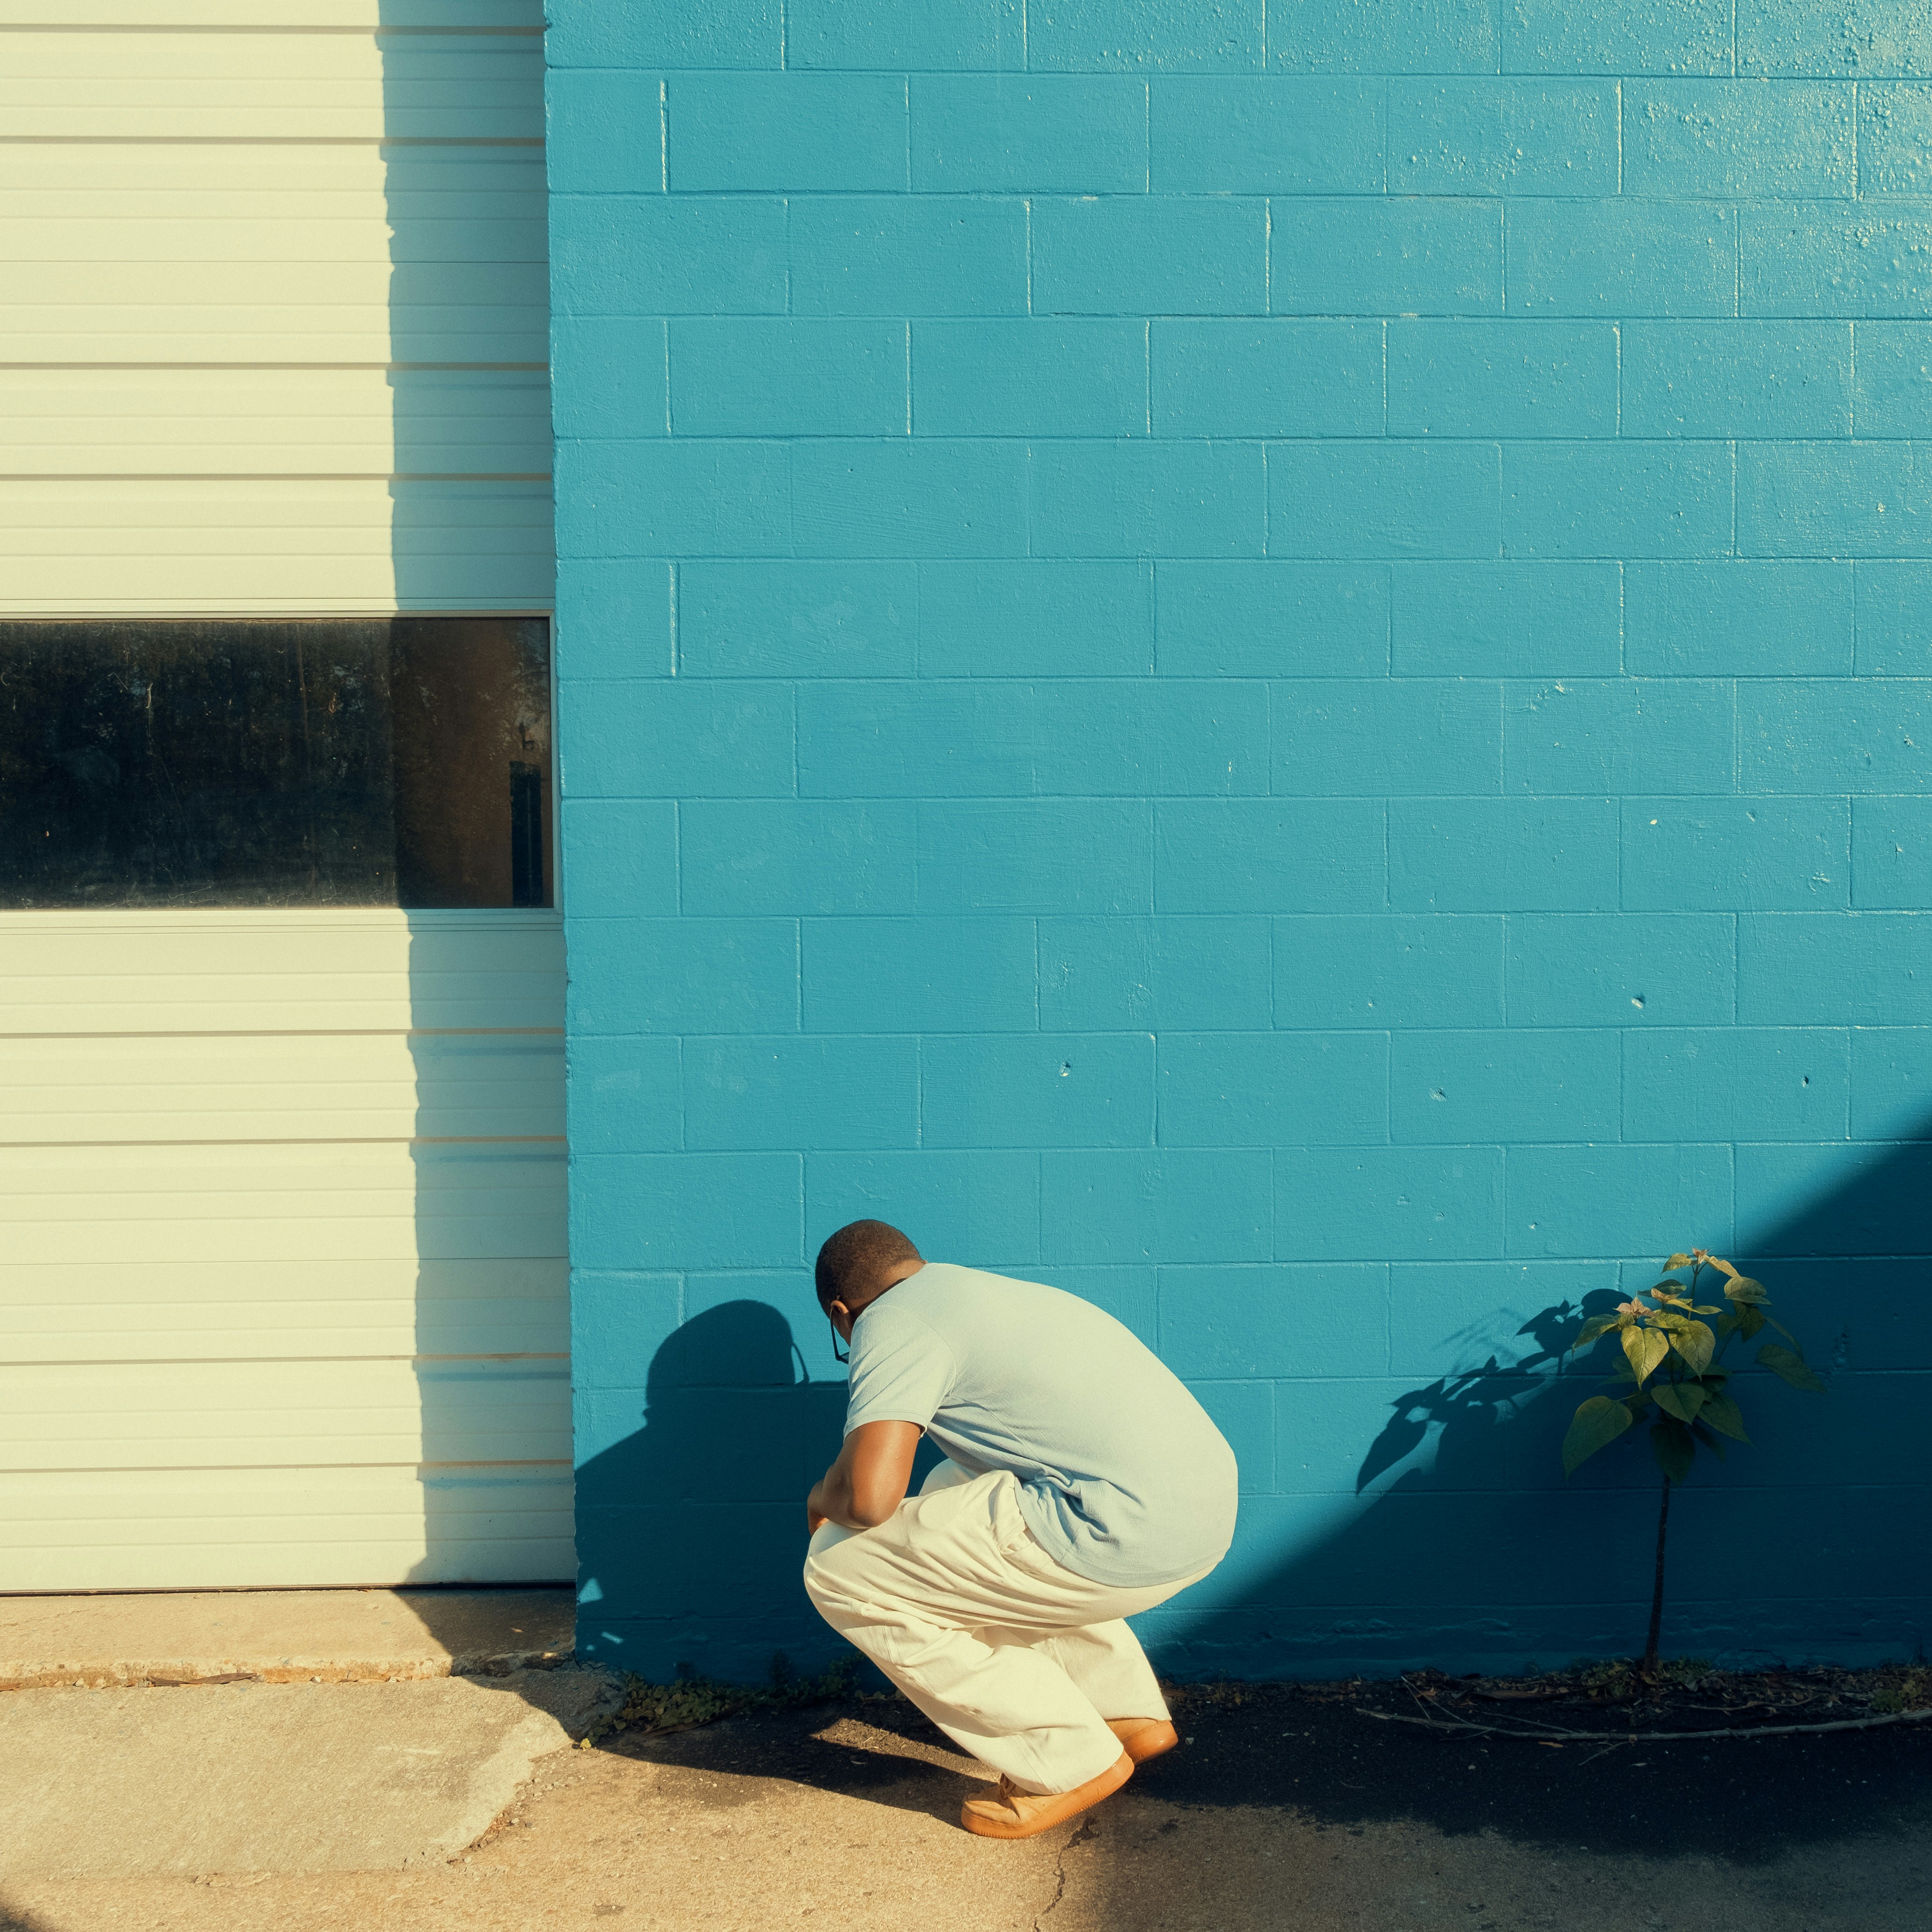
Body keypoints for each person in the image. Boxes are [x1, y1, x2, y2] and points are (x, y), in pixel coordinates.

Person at [801, 1220, 1239, 1840]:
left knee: (837, 1568)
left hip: (1117, 1532)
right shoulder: (978, 1293)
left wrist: (820, 1497)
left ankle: (1065, 1763)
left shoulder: (891, 1321)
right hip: (1196, 1521)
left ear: (840, 1313)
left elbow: (871, 1499)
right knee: (950, 1487)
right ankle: (1120, 1709)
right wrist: (833, 1485)